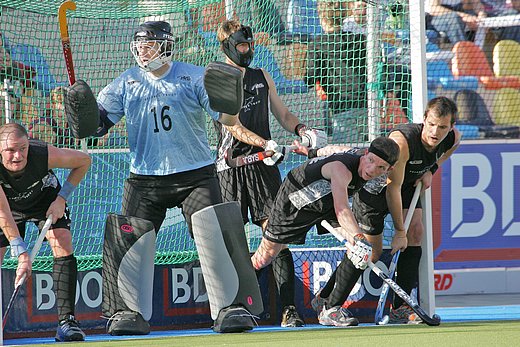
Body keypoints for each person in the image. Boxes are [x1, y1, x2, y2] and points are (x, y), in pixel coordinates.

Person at [90, 20, 253, 335]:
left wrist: (231, 102)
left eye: (148, 44)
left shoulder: (192, 76)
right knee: (128, 242)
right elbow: (97, 126)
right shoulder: (126, 82)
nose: (141, 51)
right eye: (138, 45)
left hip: (195, 175)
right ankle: (126, 313)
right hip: (145, 180)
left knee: (215, 236)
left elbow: (227, 118)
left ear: (165, 47)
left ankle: (232, 307)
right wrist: (81, 113)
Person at [215, 19, 325, 328]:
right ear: (226, 46)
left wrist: (304, 130)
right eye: (240, 46)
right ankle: (235, 308)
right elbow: (232, 125)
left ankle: (289, 309)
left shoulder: (261, 76)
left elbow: (283, 112)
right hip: (232, 169)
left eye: (249, 45)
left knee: (277, 235)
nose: (247, 51)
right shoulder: (219, 79)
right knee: (234, 242)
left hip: (263, 167)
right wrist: (265, 142)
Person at [313, 96, 461, 325]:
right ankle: (327, 302)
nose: (435, 132)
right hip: (375, 191)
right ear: (424, 119)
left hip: (406, 186)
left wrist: (431, 169)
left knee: (417, 233)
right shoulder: (403, 142)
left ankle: (400, 309)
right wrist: (399, 232)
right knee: (369, 252)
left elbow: (447, 151)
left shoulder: (452, 138)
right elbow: (392, 189)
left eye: (442, 127)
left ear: (451, 126)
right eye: (431, 124)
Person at [250, 136, 400, 327]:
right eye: (370, 161)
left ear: (389, 169)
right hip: (296, 201)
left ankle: (330, 308)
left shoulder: (366, 163)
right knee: (265, 257)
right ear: (365, 154)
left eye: (380, 168)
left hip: (326, 202)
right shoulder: (342, 169)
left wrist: (312, 153)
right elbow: (342, 210)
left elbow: (332, 148)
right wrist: (360, 237)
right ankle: (236, 301)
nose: (371, 170)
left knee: (359, 251)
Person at [0, 123, 90, 341]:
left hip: (45, 199)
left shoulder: (42, 154)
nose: (18, 155)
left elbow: (84, 161)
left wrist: (62, 199)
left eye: (23, 148)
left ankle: (67, 322)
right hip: (8, 208)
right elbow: (4, 215)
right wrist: (22, 254)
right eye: (10, 150)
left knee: (61, 240)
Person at [305, 0, 367, 142]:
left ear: (322, 17)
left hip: (342, 107)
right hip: (367, 108)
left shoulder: (318, 45)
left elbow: (310, 77)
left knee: (345, 156)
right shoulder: (360, 40)